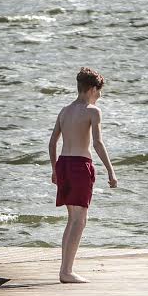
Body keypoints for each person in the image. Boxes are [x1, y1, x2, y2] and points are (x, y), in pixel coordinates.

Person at [47, 66, 117, 283]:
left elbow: (52, 143)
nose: (100, 96)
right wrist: (111, 171)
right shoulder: (92, 111)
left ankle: (65, 269)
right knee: (80, 220)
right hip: (79, 165)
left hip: (64, 164)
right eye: (99, 91)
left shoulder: (64, 111)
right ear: (91, 89)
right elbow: (97, 142)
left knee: (72, 220)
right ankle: (66, 271)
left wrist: (54, 169)